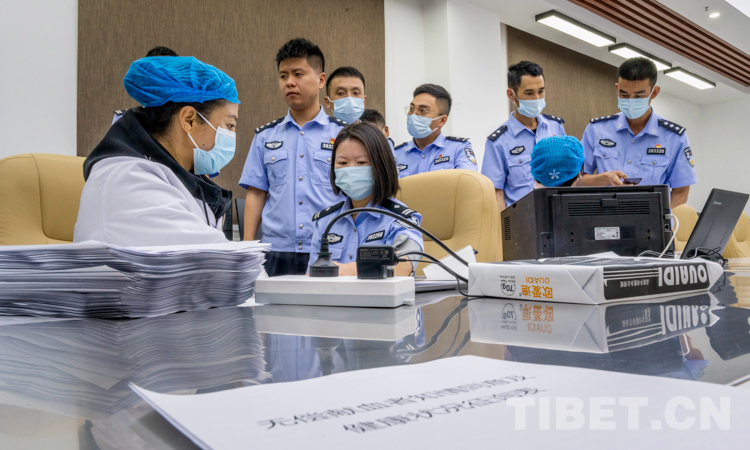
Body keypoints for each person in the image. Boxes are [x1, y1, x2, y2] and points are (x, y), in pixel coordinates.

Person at [74, 56, 240, 246]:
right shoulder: (129, 181)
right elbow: (208, 253)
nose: (232, 135)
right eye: (230, 125)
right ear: (189, 120)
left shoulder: (173, 178)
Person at [239, 38, 347, 276]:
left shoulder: (343, 135)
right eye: (283, 76)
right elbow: (256, 192)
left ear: (321, 80)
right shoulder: (265, 136)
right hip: (276, 251)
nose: (289, 82)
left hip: (329, 248)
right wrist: (247, 249)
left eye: (298, 74)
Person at [579, 57, 697, 209]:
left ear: (654, 92)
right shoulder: (596, 129)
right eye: (624, 94)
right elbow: (577, 181)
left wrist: (656, 215)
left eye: (638, 96)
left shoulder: (674, 137)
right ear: (617, 89)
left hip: (651, 220)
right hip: (605, 217)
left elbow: (681, 193)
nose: (630, 101)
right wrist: (605, 178)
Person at [308, 123, 423, 276]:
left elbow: (402, 267)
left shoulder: (401, 219)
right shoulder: (326, 221)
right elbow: (313, 276)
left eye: (361, 162)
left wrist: (339, 270)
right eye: (342, 163)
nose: (350, 169)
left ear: (381, 165)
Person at [481, 61, 566, 211]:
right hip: (523, 218)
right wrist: (504, 224)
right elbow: (496, 193)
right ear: (511, 94)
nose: (537, 98)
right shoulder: (498, 141)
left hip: (559, 213)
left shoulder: (556, 127)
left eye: (541, 91)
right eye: (529, 93)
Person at [393, 84, 477, 177]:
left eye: (422, 110)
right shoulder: (395, 154)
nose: (413, 115)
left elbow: (468, 182)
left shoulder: (458, 149)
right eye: (411, 109)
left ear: (442, 120)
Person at [112, 46, 179, 125]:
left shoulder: (189, 117)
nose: (163, 78)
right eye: (157, 71)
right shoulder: (125, 119)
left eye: (168, 71)